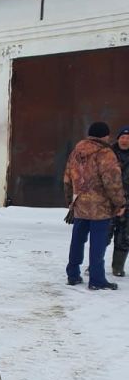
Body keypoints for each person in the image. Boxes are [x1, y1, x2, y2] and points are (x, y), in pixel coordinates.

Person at [64, 121, 125, 291]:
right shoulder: (106, 153)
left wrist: (70, 200)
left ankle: (73, 274)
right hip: (100, 207)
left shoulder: (77, 151)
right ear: (105, 135)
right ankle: (97, 280)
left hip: (80, 204)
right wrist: (119, 203)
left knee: (77, 240)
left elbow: (68, 177)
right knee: (98, 242)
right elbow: (112, 181)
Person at [111, 125, 129, 276]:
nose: (125, 140)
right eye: (123, 137)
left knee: (124, 236)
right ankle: (95, 265)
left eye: (128, 138)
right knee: (102, 236)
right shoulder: (108, 153)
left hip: (128, 203)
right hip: (108, 202)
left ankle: (118, 267)